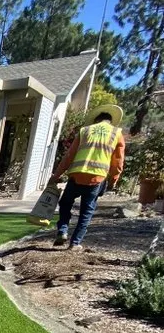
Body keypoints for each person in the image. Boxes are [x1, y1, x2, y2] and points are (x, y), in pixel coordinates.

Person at [49, 105, 125, 251]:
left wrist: (56, 175)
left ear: (96, 121)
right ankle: (75, 243)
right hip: (97, 178)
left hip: (76, 175)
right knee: (86, 211)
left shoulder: (84, 131)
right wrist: (113, 179)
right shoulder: (116, 134)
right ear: (110, 121)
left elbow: (69, 156)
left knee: (65, 203)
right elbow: (118, 160)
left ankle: (62, 230)